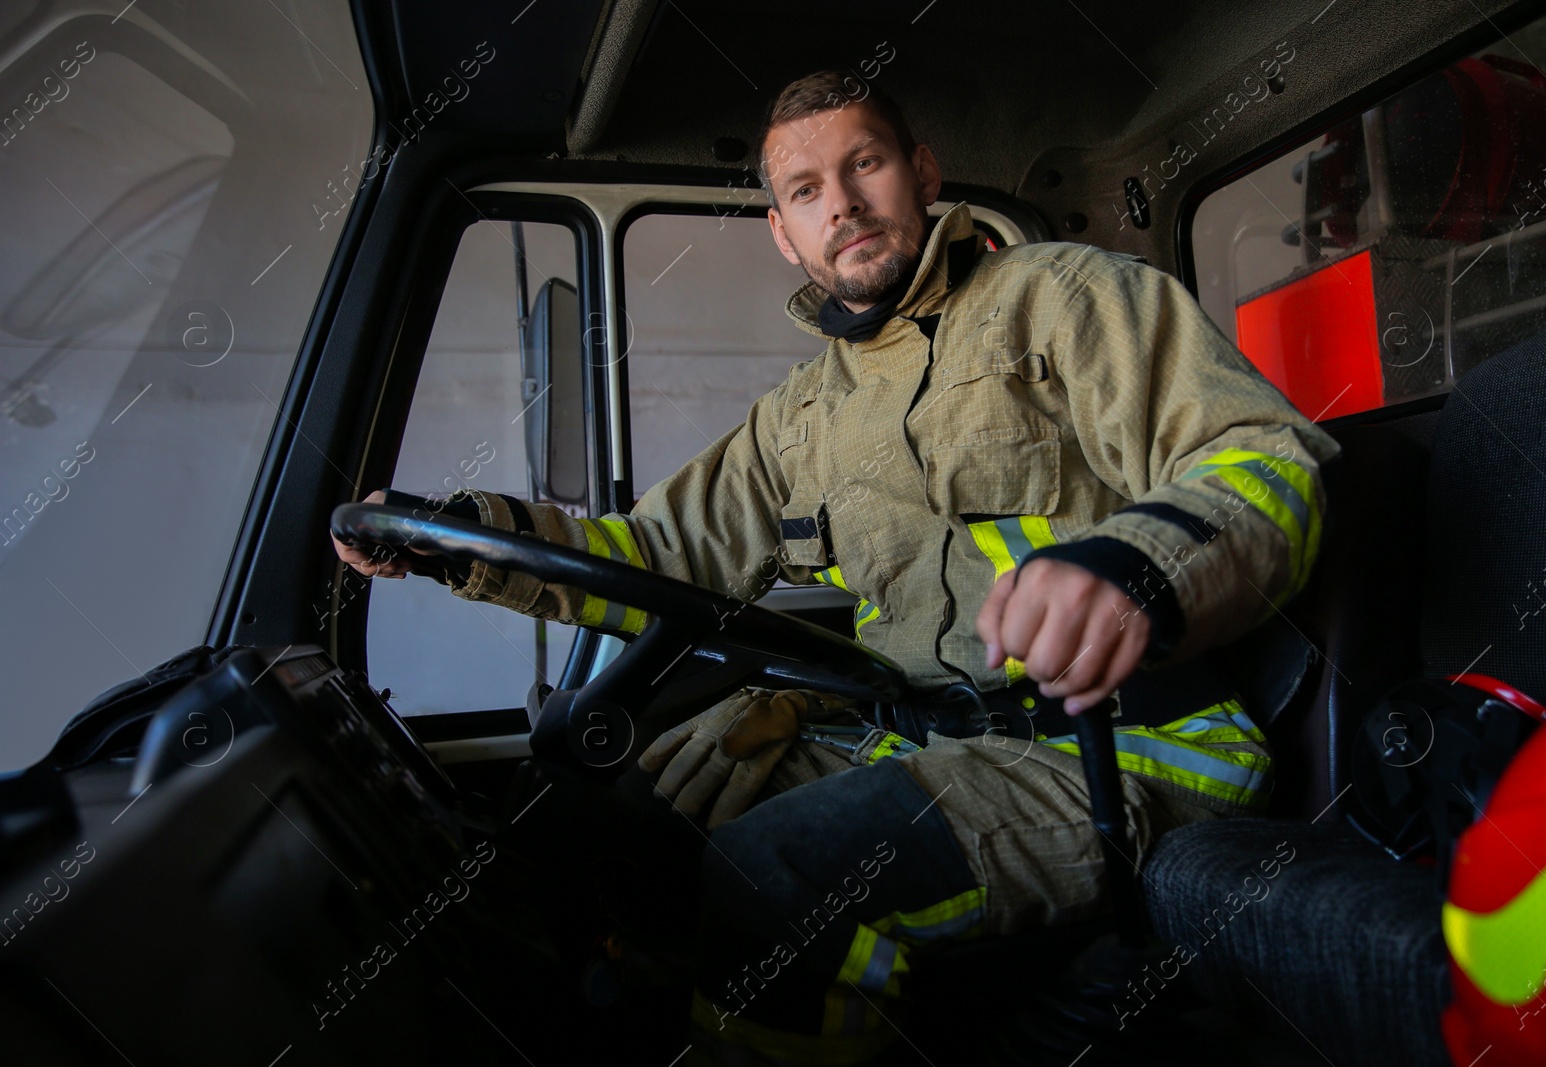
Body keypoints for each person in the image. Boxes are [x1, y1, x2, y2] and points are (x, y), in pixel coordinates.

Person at [333, 70, 1339, 1065]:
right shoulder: (803, 412)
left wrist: (1135, 567)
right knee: (606, 814)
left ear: (921, 171)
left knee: (778, 875)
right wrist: (453, 533)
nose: (844, 204)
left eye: (865, 163)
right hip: (914, 736)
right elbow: (653, 554)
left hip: (1124, 742)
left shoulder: (1067, 297)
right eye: (806, 189)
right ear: (783, 232)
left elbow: (1260, 458)